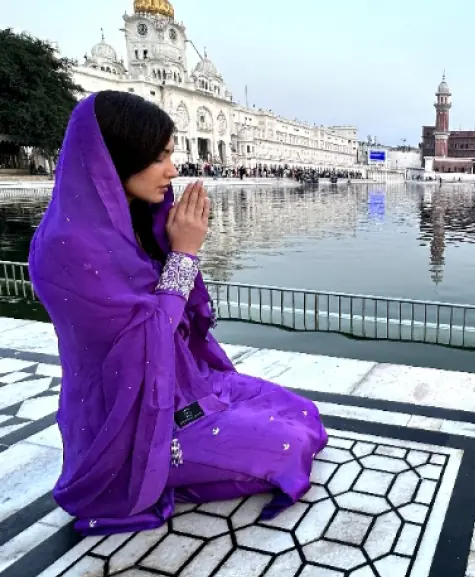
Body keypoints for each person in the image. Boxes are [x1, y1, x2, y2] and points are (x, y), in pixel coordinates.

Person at [28, 91, 328, 536]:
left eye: (170, 154)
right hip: (128, 421)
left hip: (177, 387)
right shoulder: (69, 246)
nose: (172, 170)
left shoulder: (131, 223)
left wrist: (173, 244)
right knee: (291, 445)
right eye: (159, 158)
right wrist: (184, 255)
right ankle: (161, 473)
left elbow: (174, 319)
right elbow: (143, 341)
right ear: (115, 158)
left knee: (300, 412)